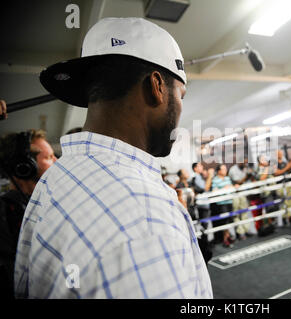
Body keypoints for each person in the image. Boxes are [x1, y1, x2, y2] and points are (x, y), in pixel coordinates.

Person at [14, 17, 212, 299]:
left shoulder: (56, 179)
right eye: (180, 94)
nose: (180, 108)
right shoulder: (149, 218)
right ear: (156, 86)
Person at [0, 129, 56, 298]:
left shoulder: (48, 203)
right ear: (23, 167)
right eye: (48, 157)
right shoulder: (6, 212)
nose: (57, 161)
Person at [211, 164, 235, 247]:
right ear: (219, 171)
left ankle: (228, 237)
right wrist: (224, 189)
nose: (225, 170)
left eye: (226, 169)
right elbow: (214, 191)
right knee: (224, 221)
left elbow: (232, 188)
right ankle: (225, 239)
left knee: (229, 220)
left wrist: (231, 187)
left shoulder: (228, 178)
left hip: (229, 201)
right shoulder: (215, 180)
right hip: (221, 204)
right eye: (223, 169)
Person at [228, 158, 252, 240]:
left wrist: (250, 175)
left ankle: (246, 230)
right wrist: (247, 176)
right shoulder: (233, 170)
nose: (246, 164)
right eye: (244, 162)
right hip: (235, 195)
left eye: (246, 162)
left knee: (245, 212)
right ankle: (240, 232)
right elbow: (238, 182)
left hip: (243, 193)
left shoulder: (245, 168)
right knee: (237, 214)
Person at [273, 150, 291, 226]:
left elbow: (289, 170)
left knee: (289, 201)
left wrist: (290, 165)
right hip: (280, 186)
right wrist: (287, 167)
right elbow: (276, 173)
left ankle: (289, 216)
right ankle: (284, 218)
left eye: (281, 153)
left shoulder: (284, 162)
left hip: (287, 184)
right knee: (283, 202)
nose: (280, 154)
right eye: (279, 153)